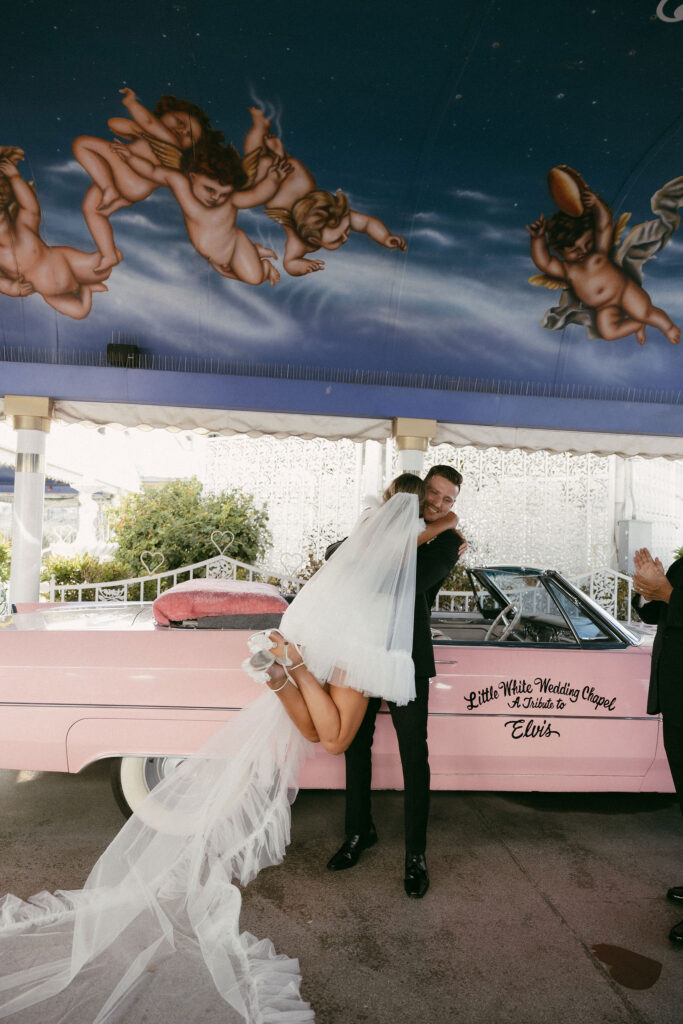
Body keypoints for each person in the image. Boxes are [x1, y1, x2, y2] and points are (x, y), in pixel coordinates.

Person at [0, 476, 438, 1022]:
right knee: (339, 739)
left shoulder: (368, 532)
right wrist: (439, 518)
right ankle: (291, 668)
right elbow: (427, 549)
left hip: (332, 631)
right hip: (365, 645)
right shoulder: (415, 535)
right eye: (433, 502)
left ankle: (282, 675)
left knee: (317, 736)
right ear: (416, 507)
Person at [326, 464, 465, 898]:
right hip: (365, 650)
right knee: (354, 742)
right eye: (435, 495)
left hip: (407, 657)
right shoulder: (383, 522)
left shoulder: (449, 541)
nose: (440, 504)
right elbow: (333, 553)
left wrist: (421, 532)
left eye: (449, 501)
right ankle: (357, 834)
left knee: (413, 755)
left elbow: (413, 583)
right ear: (420, 491)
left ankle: (416, 856)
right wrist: (388, 531)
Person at [242, 107, 407, 276]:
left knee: (267, 158)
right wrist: (300, 265)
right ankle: (262, 129)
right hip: (275, 182)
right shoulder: (299, 242)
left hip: (295, 178)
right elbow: (289, 263)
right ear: (314, 240)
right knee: (254, 157)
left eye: (343, 233)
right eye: (338, 239)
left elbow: (368, 224)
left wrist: (386, 237)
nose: (345, 237)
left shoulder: (337, 216)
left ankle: (279, 154)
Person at [73, 88, 219, 271]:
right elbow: (115, 124)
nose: (182, 130)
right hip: (133, 186)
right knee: (92, 209)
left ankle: (108, 188)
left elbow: (148, 121)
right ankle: (108, 254)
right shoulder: (152, 135)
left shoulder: (169, 141)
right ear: (165, 115)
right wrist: (138, 130)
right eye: (181, 122)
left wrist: (131, 103)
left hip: (129, 176)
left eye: (190, 135)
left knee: (83, 144)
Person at [111, 139, 289, 285]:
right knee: (236, 274)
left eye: (223, 193)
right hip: (216, 256)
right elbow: (152, 171)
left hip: (235, 246)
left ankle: (263, 265)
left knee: (255, 279)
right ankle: (254, 251)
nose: (216, 198)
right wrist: (130, 157)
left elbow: (256, 196)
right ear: (193, 176)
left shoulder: (230, 201)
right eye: (210, 189)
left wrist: (273, 180)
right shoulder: (181, 185)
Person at [527, 179, 680, 345]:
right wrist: (537, 239)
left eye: (587, 243)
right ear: (561, 252)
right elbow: (544, 262)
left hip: (624, 292)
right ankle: (637, 324)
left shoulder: (599, 253)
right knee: (608, 332)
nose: (583, 251)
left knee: (645, 312)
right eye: (574, 250)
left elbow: (604, 225)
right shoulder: (567, 270)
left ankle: (669, 328)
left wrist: (596, 203)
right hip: (604, 308)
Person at [632, 547, 683, 946]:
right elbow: (654, 615)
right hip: (675, 695)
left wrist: (667, 592)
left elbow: (671, 602)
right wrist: (646, 587)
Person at [0, 150, 111, 319]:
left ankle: (91, 277)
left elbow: (30, 207)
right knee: (80, 312)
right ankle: (86, 288)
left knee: (106, 267)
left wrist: (15, 178)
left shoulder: (23, 225)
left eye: (4, 186)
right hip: (50, 291)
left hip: (65, 262)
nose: (1, 192)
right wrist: (12, 288)